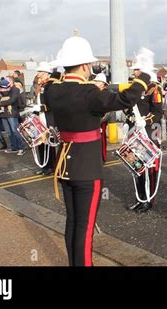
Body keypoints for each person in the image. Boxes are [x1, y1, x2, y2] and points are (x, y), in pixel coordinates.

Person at [46, 35, 152, 266]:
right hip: (87, 169)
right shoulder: (89, 93)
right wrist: (143, 77)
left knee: (72, 222)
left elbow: (55, 80)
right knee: (84, 228)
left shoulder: (53, 91)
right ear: (85, 65)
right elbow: (126, 99)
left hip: (64, 167)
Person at [125, 69, 163, 213]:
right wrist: (129, 121)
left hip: (148, 132)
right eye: (134, 69)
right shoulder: (133, 86)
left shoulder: (154, 88)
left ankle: (148, 200)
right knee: (136, 167)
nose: (135, 72)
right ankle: (139, 198)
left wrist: (145, 121)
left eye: (138, 69)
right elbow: (128, 109)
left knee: (148, 169)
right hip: (134, 132)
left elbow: (158, 112)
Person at [0, 76, 26, 155]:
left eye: (7, 81)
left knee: (15, 131)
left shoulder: (15, 89)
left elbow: (12, 100)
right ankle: (14, 147)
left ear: (11, 81)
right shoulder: (2, 89)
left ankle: (21, 147)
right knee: (9, 132)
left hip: (12, 113)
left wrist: (1, 103)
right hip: (3, 113)